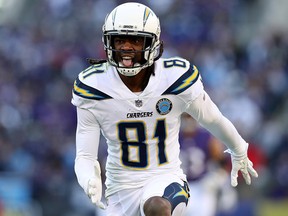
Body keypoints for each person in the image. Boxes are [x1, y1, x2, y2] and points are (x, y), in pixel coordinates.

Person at [71, 2, 258, 216]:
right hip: (120, 189)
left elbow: (213, 119)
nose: (126, 47)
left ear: (153, 43)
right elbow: (84, 155)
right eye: (119, 39)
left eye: (135, 40)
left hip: (166, 179)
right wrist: (87, 178)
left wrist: (238, 148)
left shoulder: (174, 78)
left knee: (157, 208)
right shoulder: (93, 86)